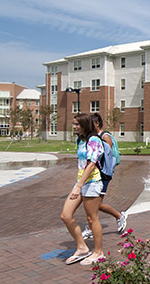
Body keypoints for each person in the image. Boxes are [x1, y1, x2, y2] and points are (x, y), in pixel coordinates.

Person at [60, 113, 105, 265]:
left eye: (77, 124)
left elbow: (92, 164)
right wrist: (79, 184)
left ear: (85, 124)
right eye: (74, 124)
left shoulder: (94, 140)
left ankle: (98, 252)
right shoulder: (81, 140)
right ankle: (82, 247)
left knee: (92, 219)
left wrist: (78, 187)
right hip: (81, 182)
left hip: (92, 182)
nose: (75, 127)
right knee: (66, 215)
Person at [81, 113, 128, 240]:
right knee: (92, 203)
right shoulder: (90, 137)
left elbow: (106, 157)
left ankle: (118, 216)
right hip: (94, 174)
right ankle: (91, 227)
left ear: (97, 123)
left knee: (97, 204)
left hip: (103, 174)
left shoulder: (104, 136)